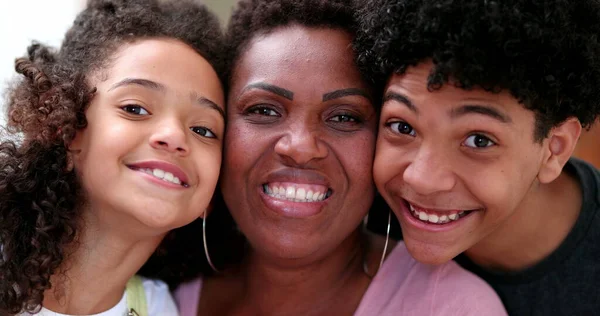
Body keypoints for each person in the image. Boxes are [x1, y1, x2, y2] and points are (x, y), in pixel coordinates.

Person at [173, 0, 507, 315]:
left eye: (344, 117)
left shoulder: (449, 306)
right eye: (264, 110)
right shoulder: (163, 291)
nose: (300, 148)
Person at [355, 0, 600, 314]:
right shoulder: (358, 211)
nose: (422, 179)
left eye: (479, 140)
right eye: (402, 126)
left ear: (555, 149)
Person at [0, 0, 225, 314]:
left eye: (204, 130)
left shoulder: (161, 309)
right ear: (63, 128)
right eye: (135, 109)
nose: (175, 137)